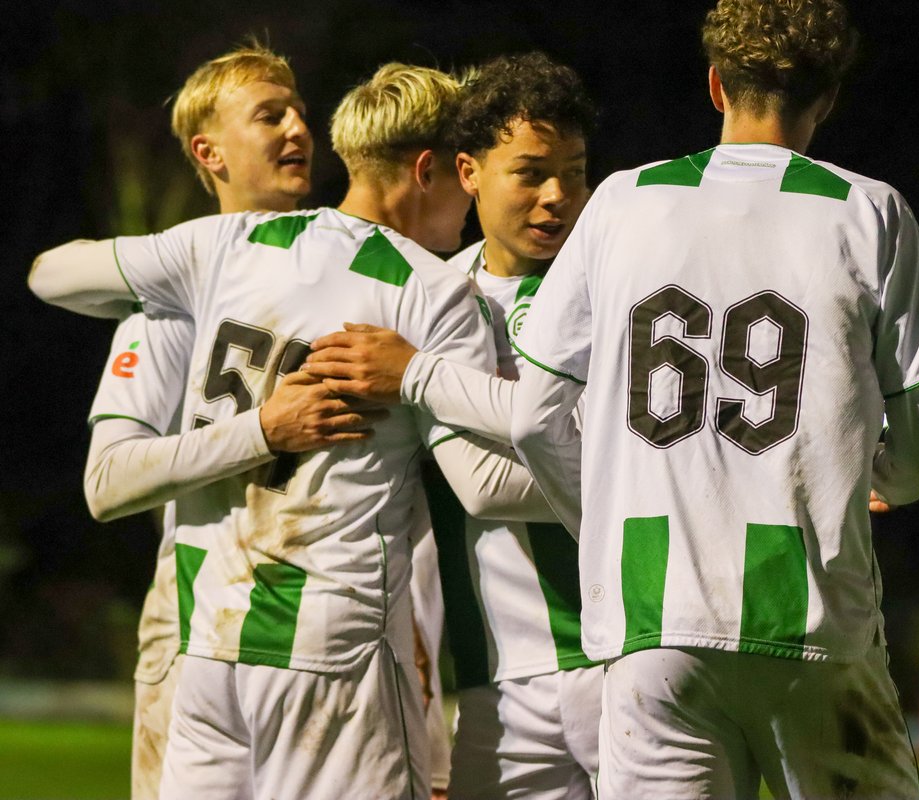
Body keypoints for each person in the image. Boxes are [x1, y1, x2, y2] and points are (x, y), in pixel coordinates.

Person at [29, 62, 555, 800]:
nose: (470, 201)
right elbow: (485, 484)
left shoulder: (226, 244)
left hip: (209, 648)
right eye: (463, 176)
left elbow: (50, 274)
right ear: (427, 170)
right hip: (332, 653)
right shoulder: (436, 292)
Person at [507, 1, 919, 797]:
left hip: (653, 613)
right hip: (812, 611)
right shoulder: (869, 210)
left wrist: (607, 516)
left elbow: (534, 419)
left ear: (716, 85)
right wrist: (880, 477)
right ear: (827, 98)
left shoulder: (621, 201)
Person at [304, 52, 602, 799]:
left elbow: (626, 455)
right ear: (467, 172)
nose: (557, 196)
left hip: (624, 657)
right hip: (495, 679)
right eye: (531, 173)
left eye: (574, 172)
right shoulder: (432, 296)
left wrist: (418, 374)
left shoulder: (619, 288)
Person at [81, 42, 343, 800]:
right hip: (197, 621)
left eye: (300, 112)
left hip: (323, 627)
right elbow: (107, 482)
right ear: (210, 153)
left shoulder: (353, 276)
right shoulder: (170, 302)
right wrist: (262, 431)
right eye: (270, 115)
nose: (298, 129)